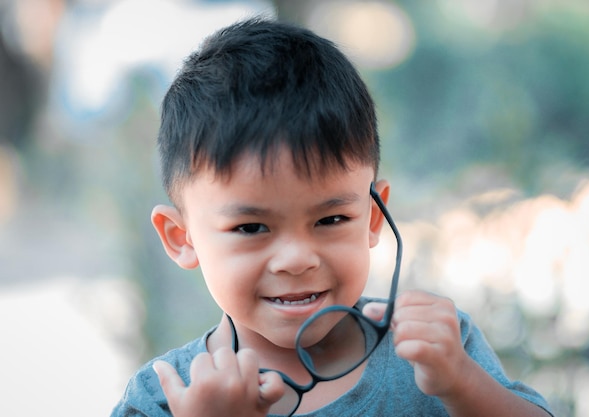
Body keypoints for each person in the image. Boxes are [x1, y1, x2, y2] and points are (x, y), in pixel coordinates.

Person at [111, 17, 553, 417]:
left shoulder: (430, 352)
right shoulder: (163, 399)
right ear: (181, 237)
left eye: (331, 219)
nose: (297, 259)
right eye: (251, 227)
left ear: (373, 218)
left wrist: (462, 382)